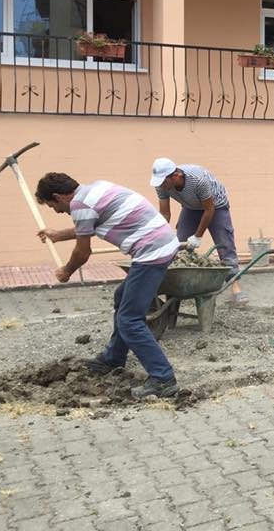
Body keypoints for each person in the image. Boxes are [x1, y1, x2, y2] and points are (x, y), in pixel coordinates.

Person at [34, 172, 181, 399]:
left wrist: (66, 271)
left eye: (53, 206)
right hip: (160, 243)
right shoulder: (95, 189)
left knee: (130, 319)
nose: (57, 211)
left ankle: (163, 379)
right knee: (122, 298)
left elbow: (83, 252)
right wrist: (58, 235)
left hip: (152, 251)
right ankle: (113, 358)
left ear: (58, 196)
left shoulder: (80, 205)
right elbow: (89, 225)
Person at [150, 158, 244, 303]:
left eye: (164, 182)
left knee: (224, 244)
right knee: (179, 244)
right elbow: (165, 214)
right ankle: (182, 286)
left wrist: (198, 236)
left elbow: (209, 208)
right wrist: (158, 236)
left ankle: (236, 287)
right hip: (191, 207)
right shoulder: (161, 185)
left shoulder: (197, 180)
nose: (161, 186)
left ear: (176, 176)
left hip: (216, 206)